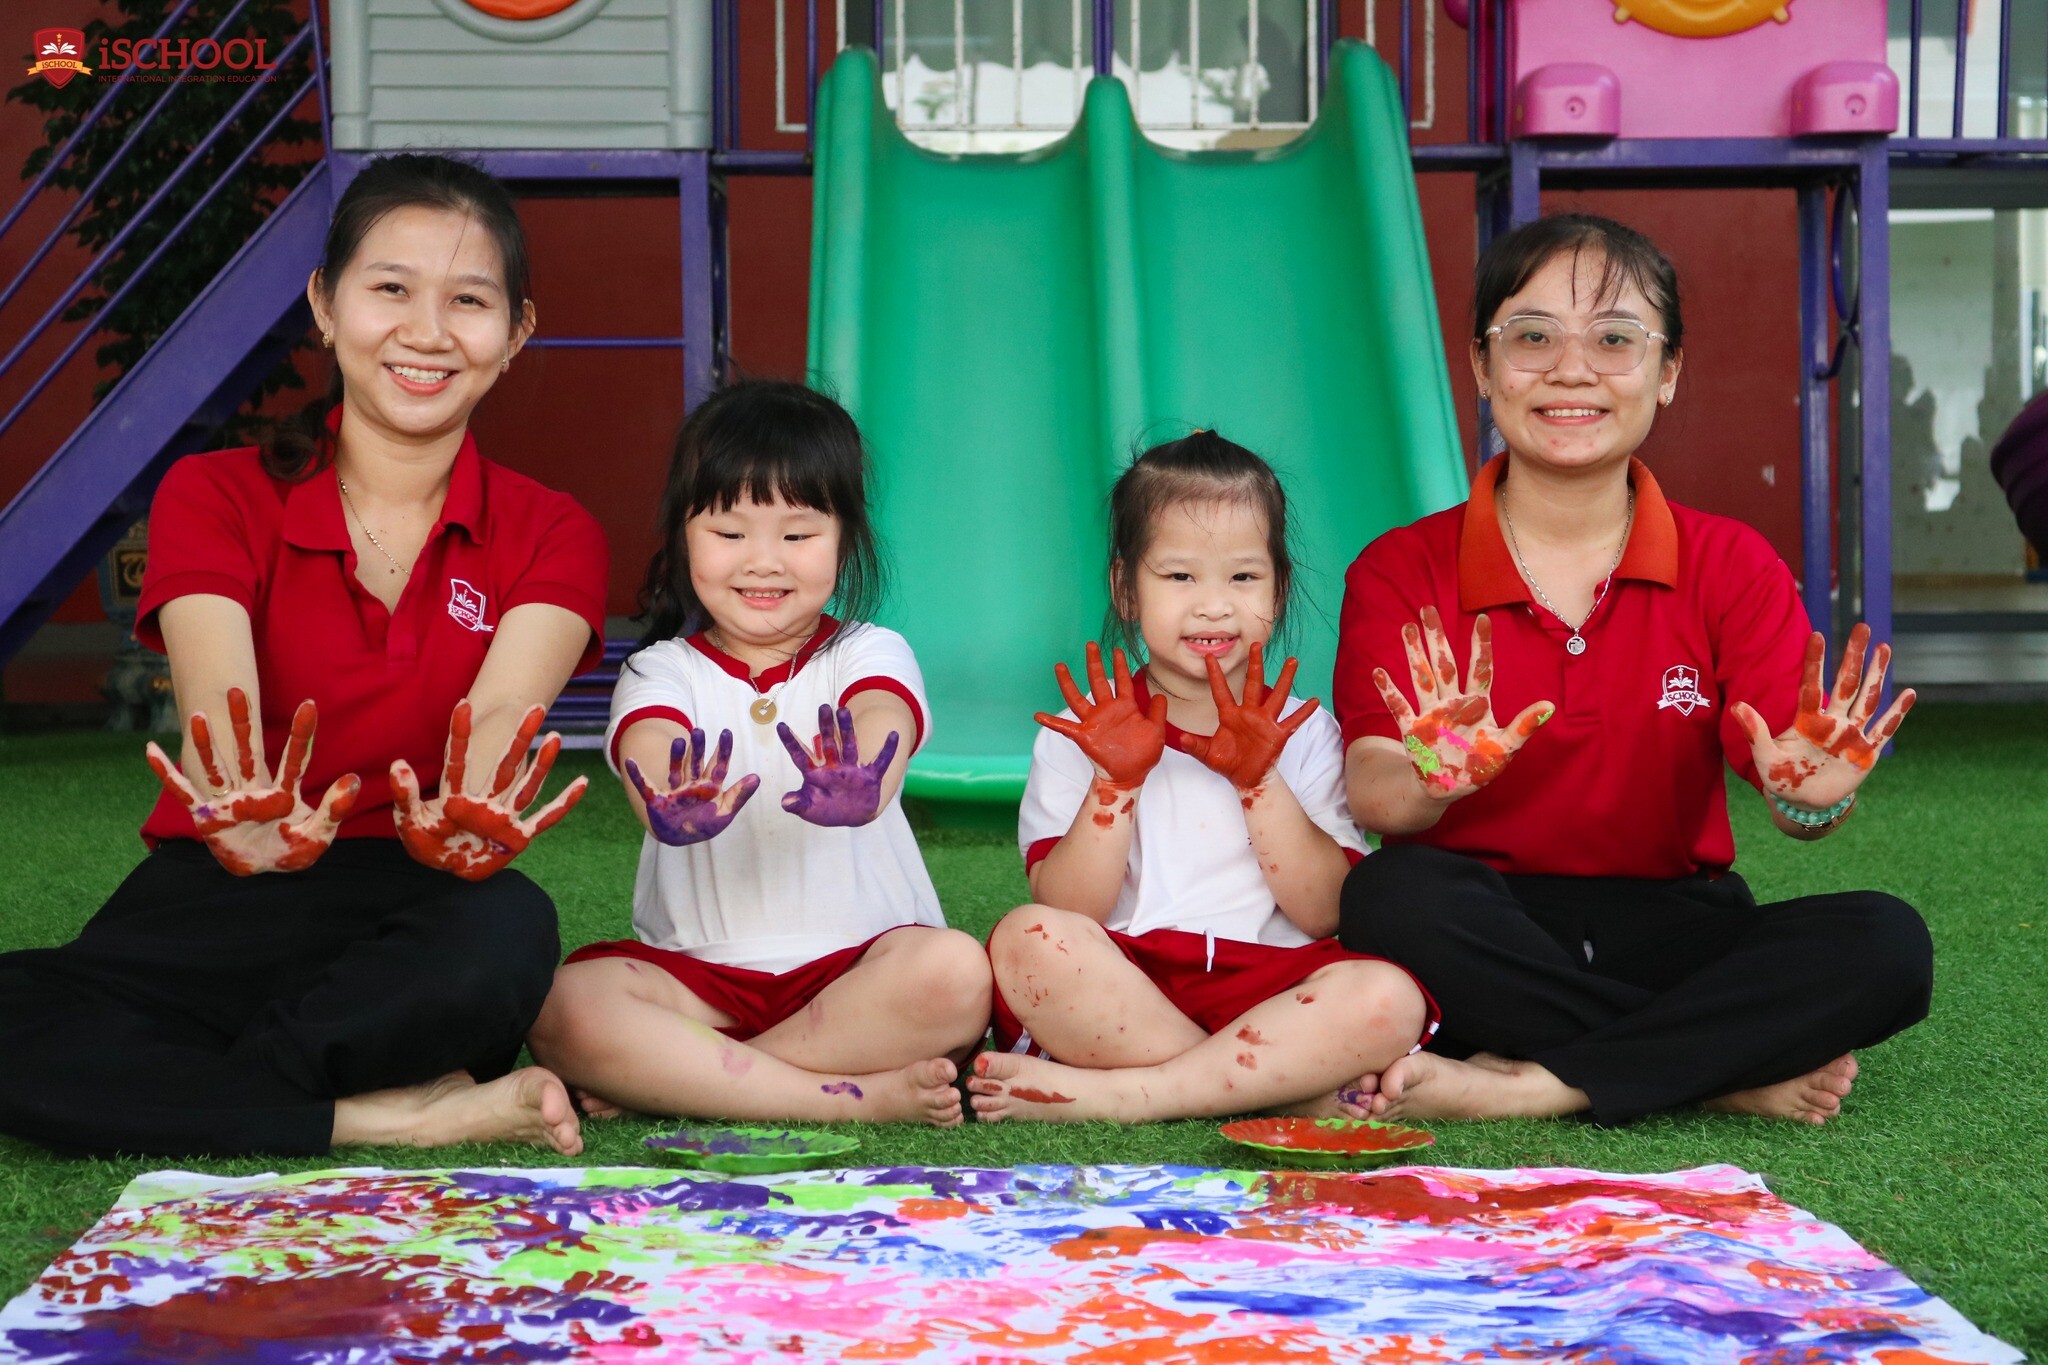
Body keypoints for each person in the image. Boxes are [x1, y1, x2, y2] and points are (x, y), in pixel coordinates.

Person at [0, 153, 607, 1157]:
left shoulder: (553, 531)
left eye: (468, 299)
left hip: (416, 909)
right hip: (222, 890)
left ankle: (188, 1092)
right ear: (325, 305)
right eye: (391, 289)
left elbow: (503, 717)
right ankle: (376, 1112)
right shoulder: (215, 492)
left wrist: (475, 807)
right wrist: (235, 799)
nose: (427, 332)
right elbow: (218, 710)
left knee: (507, 930)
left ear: (515, 332)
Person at [1334, 213, 1932, 1128]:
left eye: (1615, 339)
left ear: (1669, 370)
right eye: (1532, 337)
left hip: (1675, 921)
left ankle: (1539, 1082)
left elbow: (1794, 787)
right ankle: (1708, 1069)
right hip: (1480, 925)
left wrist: (1811, 799)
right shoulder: (1400, 568)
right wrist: (1429, 779)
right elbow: (1374, 792)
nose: (1572, 370)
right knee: (1386, 897)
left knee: (1888, 942)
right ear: (1483, 366)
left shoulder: (1731, 563)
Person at [528, 381, 990, 1128]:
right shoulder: (661, 668)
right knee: (564, 1005)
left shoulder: (869, 649)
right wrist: (668, 795)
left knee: (956, 972)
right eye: (729, 532)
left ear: (846, 539)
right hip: (701, 983)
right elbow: (650, 742)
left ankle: (694, 1079)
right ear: (684, 536)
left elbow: (884, 715)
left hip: (861, 971)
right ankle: (844, 1097)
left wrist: (862, 779)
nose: (763, 562)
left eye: (798, 535)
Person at [968, 432, 1435, 1123]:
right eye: (1180, 577)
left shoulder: (1307, 730)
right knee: (1026, 938)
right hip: (1129, 983)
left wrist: (1260, 781)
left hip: (1271, 989)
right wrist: (1114, 785)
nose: (1214, 605)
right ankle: (1269, 1089)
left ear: (1279, 588)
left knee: (1389, 996)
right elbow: (1071, 909)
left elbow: (1323, 911)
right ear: (1125, 589)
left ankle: (1134, 1096)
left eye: (1243, 578)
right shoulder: (1080, 731)